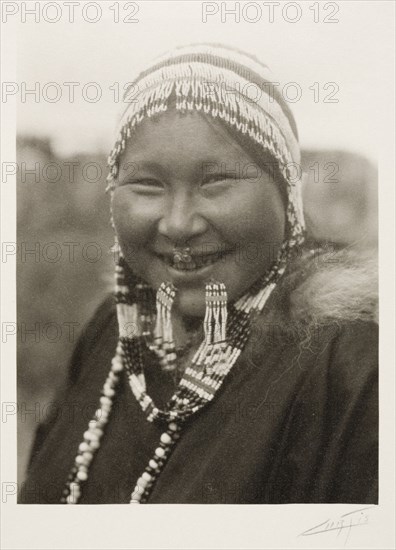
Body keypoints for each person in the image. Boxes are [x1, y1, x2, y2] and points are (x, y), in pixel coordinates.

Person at [19, 43, 378, 504]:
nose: (178, 223)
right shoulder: (113, 331)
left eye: (215, 182)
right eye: (147, 184)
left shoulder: (352, 365)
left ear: (287, 195)